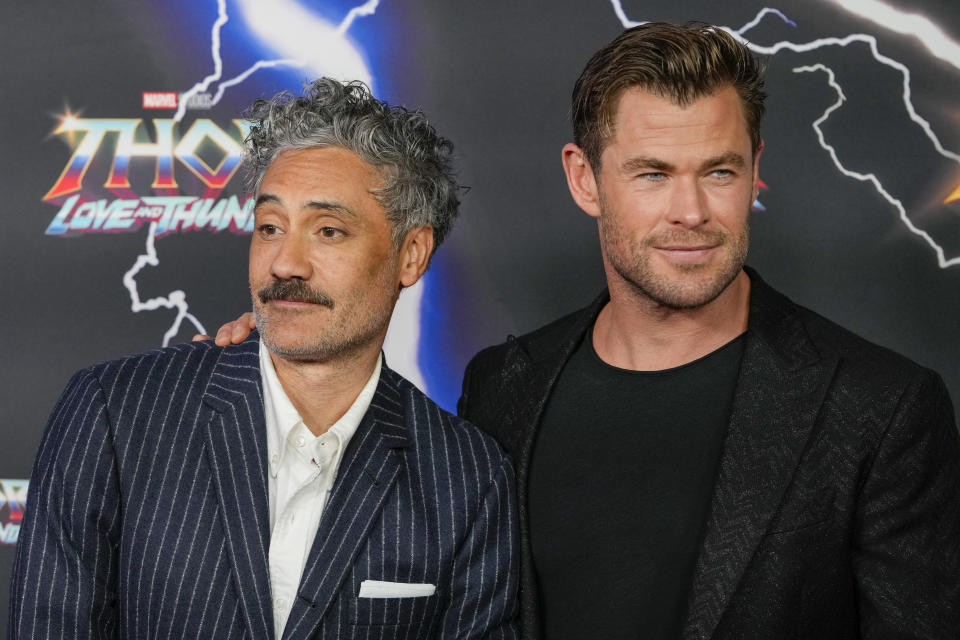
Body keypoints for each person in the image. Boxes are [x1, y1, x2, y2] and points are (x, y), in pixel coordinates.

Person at [208, 23, 960, 640]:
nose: (691, 212)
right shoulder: (503, 387)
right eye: (653, 173)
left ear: (756, 171)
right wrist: (290, 364)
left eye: (720, 172)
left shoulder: (880, 409)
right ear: (583, 180)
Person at [10, 78, 519, 640]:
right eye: (269, 227)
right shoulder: (115, 413)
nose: (284, 263)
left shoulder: (465, 475)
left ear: (411, 255)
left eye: (328, 231)